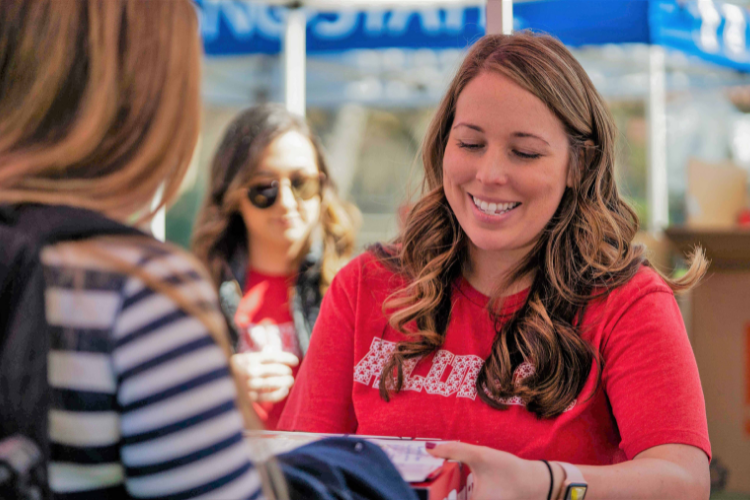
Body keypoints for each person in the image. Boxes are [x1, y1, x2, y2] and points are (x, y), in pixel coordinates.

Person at [0, 2, 414, 499]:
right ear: (148, 100)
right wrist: (356, 470)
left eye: (303, 184)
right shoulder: (143, 288)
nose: (285, 203)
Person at [278, 32, 711, 500]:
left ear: (578, 165)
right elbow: (300, 463)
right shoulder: (365, 285)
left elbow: (684, 482)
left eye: (524, 152)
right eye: (470, 143)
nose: (488, 174)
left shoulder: (627, 301)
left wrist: (547, 484)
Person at [192, 105, 359, 429]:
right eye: (264, 188)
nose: (286, 201)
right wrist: (217, 386)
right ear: (233, 196)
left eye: (302, 183)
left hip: (317, 473)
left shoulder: (352, 290)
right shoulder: (196, 289)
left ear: (323, 186)